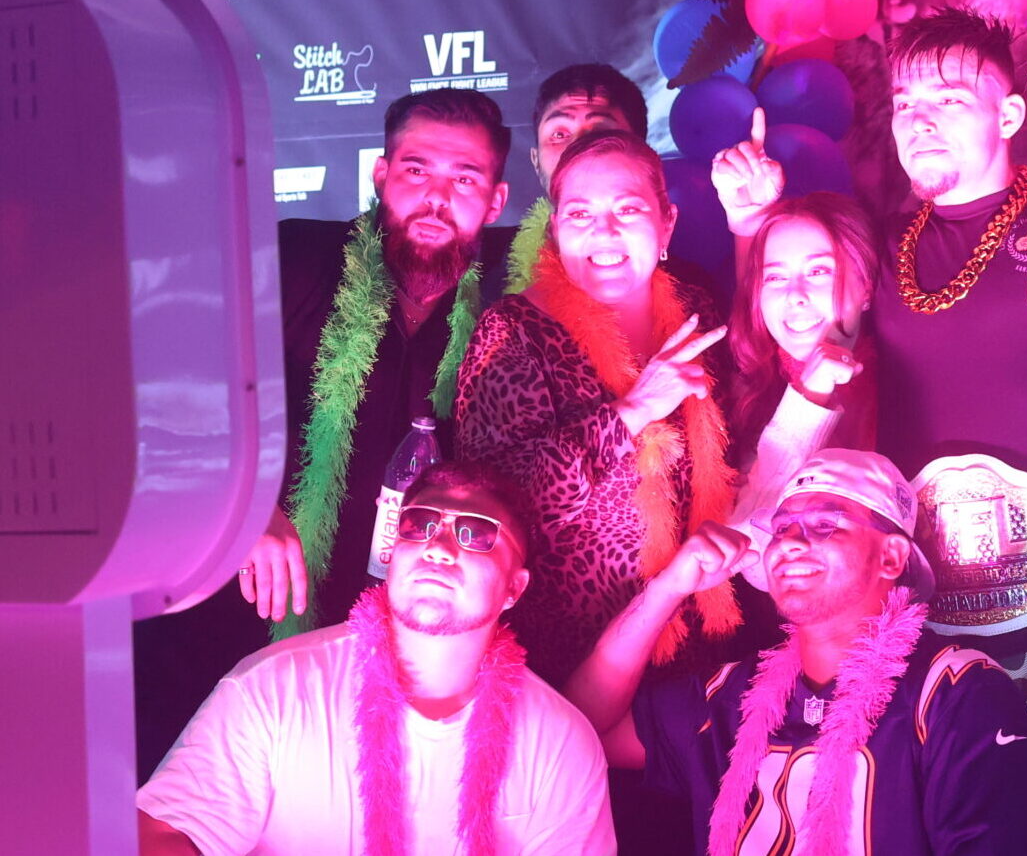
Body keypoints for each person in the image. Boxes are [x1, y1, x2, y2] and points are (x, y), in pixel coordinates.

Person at [713, 9, 1027, 854]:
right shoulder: (887, 245)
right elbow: (794, 303)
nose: (920, 121)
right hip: (925, 636)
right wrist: (751, 225)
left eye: (949, 99)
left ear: (1010, 115)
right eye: (905, 104)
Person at [133, 88, 517, 780]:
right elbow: (164, 380)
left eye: (464, 179)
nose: (436, 199)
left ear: (495, 201)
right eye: (416, 171)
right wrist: (247, 504)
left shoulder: (507, 308)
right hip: (233, 607)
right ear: (380, 174)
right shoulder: (295, 257)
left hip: (391, 645)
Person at [566, 448, 1027, 856]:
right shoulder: (730, 695)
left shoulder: (955, 693)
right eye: (781, 529)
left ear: (891, 557)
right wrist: (667, 590)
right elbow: (577, 731)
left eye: (825, 524)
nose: (791, 543)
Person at [137, 460, 616, 856]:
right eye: (419, 525)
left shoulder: (561, 745)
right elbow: (158, 833)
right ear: (391, 552)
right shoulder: (273, 689)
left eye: (475, 533)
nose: (438, 547)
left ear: (514, 587)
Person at [456, 128, 737, 688]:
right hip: (566, 660)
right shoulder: (512, 332)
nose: (604, 232)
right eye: (580, 214)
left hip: (693, 648)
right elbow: (494, 508)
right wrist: (631, 413)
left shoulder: (694, 314)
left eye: (627, 209)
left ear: (667, 224)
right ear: (556, 230)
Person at [727, 193, 879, 587]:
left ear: (866, 287)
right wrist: (810, 397)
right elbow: (752, 558)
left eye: (818, 271)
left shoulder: (897, 388)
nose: (795, 295)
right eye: (775, 277)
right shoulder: (739, 387)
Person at [506, 63, 648, 293]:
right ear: (535, 160)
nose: (578, 150)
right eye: (559, 134)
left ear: (644, 157)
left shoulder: (692, 292)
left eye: (600, 133)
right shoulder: (486, 284)